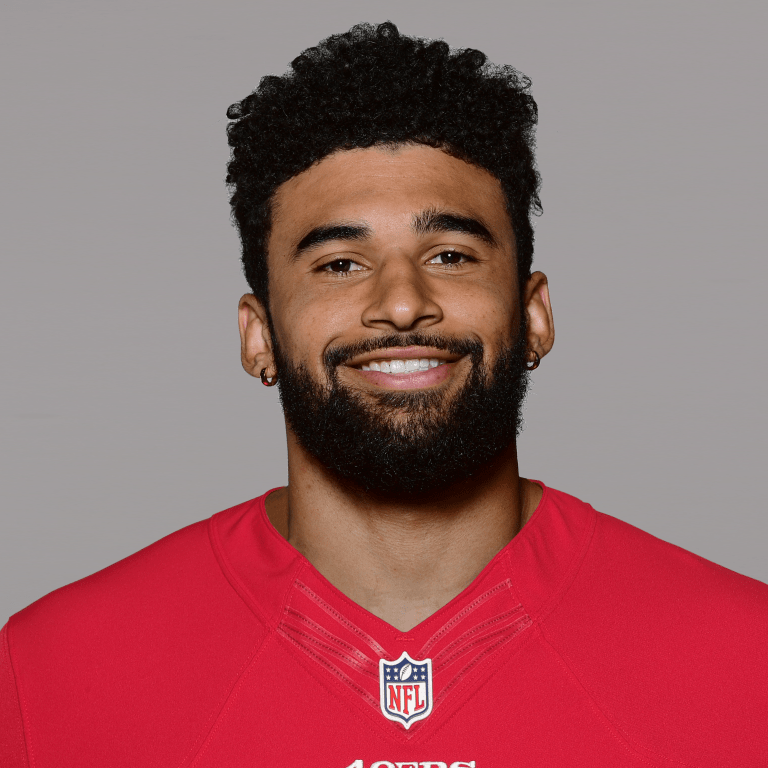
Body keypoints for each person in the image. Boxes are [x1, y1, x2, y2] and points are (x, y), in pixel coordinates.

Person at [1, 21, 766, 768]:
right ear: (258, 334)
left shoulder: (748, 662)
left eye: (450, 254)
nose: (402, 302)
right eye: (339, 263)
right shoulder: (49, 674)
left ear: (533, 316)